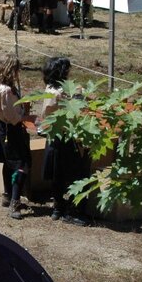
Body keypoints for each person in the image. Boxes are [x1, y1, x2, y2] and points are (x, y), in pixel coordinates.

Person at [40, 57, 90, 226]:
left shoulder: (50, 89)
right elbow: (76, 110)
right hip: (66, 137)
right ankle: (71, 210)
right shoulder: (60, 93)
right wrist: (79, 96)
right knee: (75, 174)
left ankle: (58, 208)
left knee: (57, 174)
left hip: (55, 136)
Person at [0, 55, 31, 220]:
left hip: (6, 130)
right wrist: (26, 115)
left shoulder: (3, 87)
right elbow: (12, 117)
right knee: (21, 165)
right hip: (11, 131)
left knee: (9, 163)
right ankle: (15, 201)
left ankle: (8, 195)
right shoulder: (5, 90)